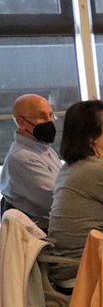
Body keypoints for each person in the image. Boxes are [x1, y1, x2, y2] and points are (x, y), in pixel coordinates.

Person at [46, 100, 103, 284]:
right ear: (91, 137)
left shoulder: (73, 167)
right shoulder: (95, 171)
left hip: (70, 265)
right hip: (86, 269)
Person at [0, 93, 60, 231]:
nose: (49, 121)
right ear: (21, 122)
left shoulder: (44, 149)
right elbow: (57, 201)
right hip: (42, 236)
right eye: (41, 117)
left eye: (51, 115)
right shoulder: (22, 158)